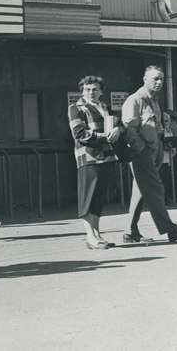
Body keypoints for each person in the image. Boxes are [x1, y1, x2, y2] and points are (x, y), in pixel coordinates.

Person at [120, 66, 177, 244]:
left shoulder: (154, 101)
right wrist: (142, 150)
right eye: (155, 79)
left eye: (161, 79)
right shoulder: (135, 100)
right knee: (156, 189)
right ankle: (170, 229)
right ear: (144, 79)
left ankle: (130, 232)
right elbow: (129, 129)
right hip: (141, 154)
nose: (159, 82)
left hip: (155, 151)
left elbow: (157, 128)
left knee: (141, 191)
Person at [66, 76, 120, 249]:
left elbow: (119, 124)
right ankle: (89, 235)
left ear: (101, 91)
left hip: (107, 157)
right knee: (88, 196)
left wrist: (118, 129)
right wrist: (105, 137)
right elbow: (79, 133)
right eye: (87, 89)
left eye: (95, 89)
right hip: (88, 157)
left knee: (98, 197)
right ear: (82, 90)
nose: (91, 92)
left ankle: (96, 233)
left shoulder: (106, 108)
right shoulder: (75, 108)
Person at [159, 112, 177, 206]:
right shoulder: (158, 131)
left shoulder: (169, 130)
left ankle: (169, 196)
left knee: (167, 179)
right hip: (159, 159)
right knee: (162, 179)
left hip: (168, 158)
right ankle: (164, 198)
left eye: (167, 120)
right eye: (164, 121)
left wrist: (172, 148)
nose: (166, 122)